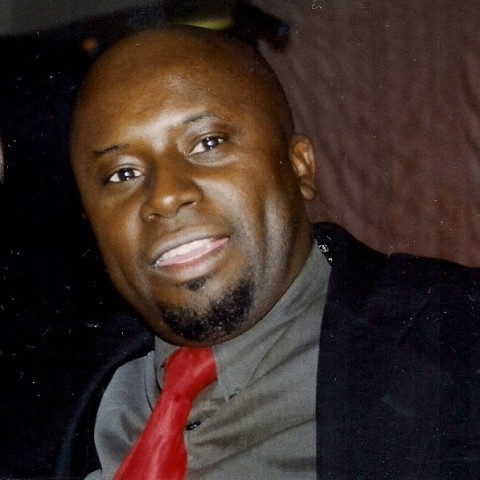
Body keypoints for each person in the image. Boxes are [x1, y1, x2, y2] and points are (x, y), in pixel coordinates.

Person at [70, 26, 480, 480]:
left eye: (207, 143)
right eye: (122, 174)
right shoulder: (64, 401)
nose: (165, 196)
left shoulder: (458, 343)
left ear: (300, 166)